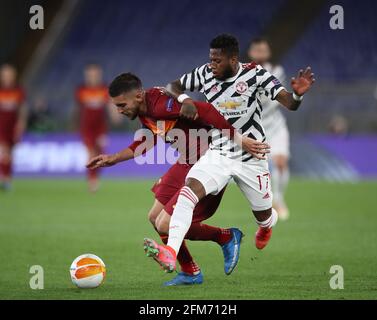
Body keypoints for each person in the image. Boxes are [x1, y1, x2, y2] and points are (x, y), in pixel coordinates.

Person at [143, 34, 315, 273]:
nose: (212, 64)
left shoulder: (255, 74)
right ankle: (171, 253)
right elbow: (173, 86)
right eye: (210, 59)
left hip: (252, 158)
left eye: (217, 60)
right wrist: (185, 99)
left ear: (234, 60)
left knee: (264, 215)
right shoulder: (204, 73)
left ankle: (266, 225)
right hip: (219, 153)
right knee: (188, 191)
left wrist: (297, 94)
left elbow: (289, 102)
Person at [86, 73, 268, 285]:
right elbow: (147, 139)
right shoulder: (145, 109)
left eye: (121, 104)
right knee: (155, 217)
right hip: (186, 161)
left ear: (137, 96)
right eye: (116, 106)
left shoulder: (160, 105)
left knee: (166, 223)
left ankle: (225, 237)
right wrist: (113, 159)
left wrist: (240, 140)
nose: (119, 110)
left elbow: (207, 110)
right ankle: (190, 271)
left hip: (207, 163)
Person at [247, 37, 290, 220]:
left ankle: (279, 200)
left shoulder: (277, 71)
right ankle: (265, 203)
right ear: (251, 52)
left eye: (263, 50)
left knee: (280, 162)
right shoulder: (242, 72)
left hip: (275, 125)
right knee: (258, 170)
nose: (260, 54)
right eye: (257, 50)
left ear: (268, 53)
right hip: (255, 128)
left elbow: (269, 96)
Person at [73, 63, 120, 193]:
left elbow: (111, 104)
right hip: (86, 128)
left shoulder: (104, 89)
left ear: (99, 74)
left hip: (101, 128)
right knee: (91, 153)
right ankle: (92, 181)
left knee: (99, 155)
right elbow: (78, 110)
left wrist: (115, 115)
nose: (92, 77)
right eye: (90, 74)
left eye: (95, 74)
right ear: (86, 75)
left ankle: (95, 178)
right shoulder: (81, 90)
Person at [0, 64, 27, 192]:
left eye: (10, 74)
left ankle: (7, 179)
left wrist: (21, 124)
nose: (8, 77)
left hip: (13, 127)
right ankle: (4, 179)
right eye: (5, 74)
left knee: (10, 154)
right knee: (4, 151)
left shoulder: (18, 91)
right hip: (1, 126)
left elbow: (22, 109)